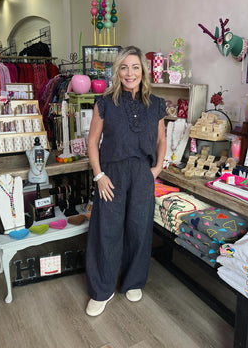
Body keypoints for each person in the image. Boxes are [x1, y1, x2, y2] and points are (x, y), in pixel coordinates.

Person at [85, 46, 167, 316]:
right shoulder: (105, 102)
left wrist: (155, 170)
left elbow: (161, 140)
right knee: (106, 230)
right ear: (117, 71)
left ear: (143, 70)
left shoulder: (155, 104)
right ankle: (102, 289)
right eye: (124, 67)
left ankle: (133, 281)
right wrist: (98, 175)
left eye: (135, 67)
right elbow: (92, 142)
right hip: (111, 175)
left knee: (139, 230)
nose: (129, 73)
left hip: (142, 174)